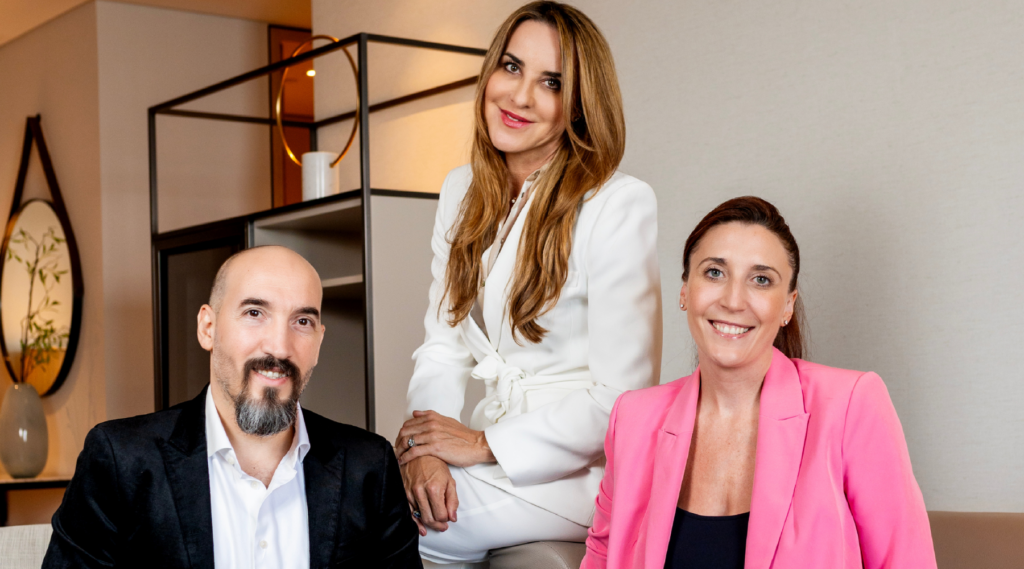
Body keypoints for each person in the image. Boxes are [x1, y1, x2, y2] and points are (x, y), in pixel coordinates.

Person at [394, 1, 662, 565]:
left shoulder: (617, 203)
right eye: (512, 67)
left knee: (394, 519)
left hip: (580, 472)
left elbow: (622, 399)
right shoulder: (460, 190)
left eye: (551, 82)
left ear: (579, 105)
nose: (519, 96)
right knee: (376, 487)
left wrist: (480, 444)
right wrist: (426, 449)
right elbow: (442, 347)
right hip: (484, 453)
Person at [582, 197, 937, 569]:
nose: (733, 301)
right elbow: (601, 556)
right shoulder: (633, 418)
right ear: (685, 290)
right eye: (715, 272)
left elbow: (906, 561)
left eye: (761, 280)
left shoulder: (850, 404)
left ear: (788, 305)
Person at [43, 246, 421, 568]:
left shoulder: (369, 467)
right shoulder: (120, 460)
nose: (279, 347)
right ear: (208, 328)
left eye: (302, 321)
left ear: (319, 343)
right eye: (255, 313)